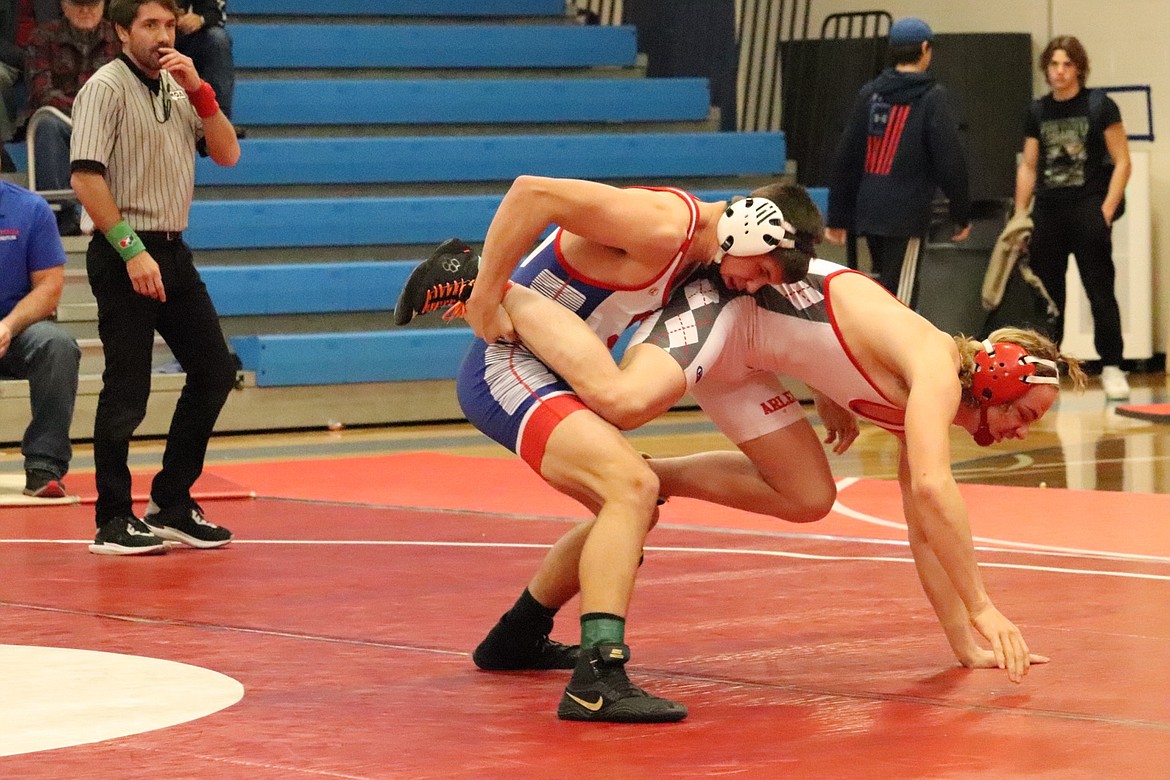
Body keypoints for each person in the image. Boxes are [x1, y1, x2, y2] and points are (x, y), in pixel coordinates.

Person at [409, 182, 1086, 708]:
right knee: (623, 403)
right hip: (721, 313)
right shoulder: (935, 367)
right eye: (1027, 413)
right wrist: (985, 604)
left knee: (809, 496)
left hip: (753, 348)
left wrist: (963, 641)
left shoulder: (922, 394)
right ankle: (476, 278)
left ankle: (648, 485)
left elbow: (923, 524)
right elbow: (938, 491)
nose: (1023, 431)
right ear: (996, 379)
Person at [394, 175, 815, 724]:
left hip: (551, 366)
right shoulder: (664, 226)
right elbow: (531, 194)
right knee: (631, 487)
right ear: (747, 228)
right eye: (761, 271)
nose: (755, 286)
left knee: (633, 508)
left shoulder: (702, 252)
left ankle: (517, 638)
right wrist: (486, 291)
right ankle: (598, 678)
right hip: (510, 363)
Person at [70, 0, 240, 555]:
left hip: (173, 248)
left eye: (169, 25)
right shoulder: (105, 87)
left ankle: (171, 500)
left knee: (214, 371)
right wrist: (131, 250)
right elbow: (85, 177)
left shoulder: (176, 86)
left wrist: (202, 93)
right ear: (121, 31)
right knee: (128, 390)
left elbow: (227, 154)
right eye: (149, 25)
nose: (162, 35)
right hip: (125, 250)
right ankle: (113, 517)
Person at [1014, 35, 1131, 401]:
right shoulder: (1037, 111)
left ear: (1078, 67)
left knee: (1100, 290)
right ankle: (1045, 368)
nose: (1059, 71)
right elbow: (1029, 166)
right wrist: (1021, 216)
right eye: (1053, 65)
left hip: (1088, 208)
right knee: (1049, 297)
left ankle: (1112, 365)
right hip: (1048, 212)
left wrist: (1107, 211)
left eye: (1066, 64)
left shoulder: (1100, 106)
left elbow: (1123, 161)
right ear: (1046, 70)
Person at [825, 16, 971, 302]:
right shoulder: (931, 97)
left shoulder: (870, 93)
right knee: (900, 302)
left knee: (880, 292)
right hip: (906, 215)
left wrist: (838, 216)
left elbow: (846, 156)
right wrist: (961, 214)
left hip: (868, 210)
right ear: (925, 48)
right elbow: (950, 160)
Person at [0, 179, 81, 497]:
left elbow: (49, 287)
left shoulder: (30, 208)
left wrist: (7, 327)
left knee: (57, 346)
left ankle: (44, 466)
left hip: (16, 331)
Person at [24, 0, 119, 235]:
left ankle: (120, 212)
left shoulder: (119, 37)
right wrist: (83, 111)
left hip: (105, 121)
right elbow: (41, 92)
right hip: (62, 119)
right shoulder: (43, 37)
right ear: (64, 6)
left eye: (92, 4)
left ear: (103, 5)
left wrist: (93, 114)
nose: (86, 10)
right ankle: (61, 215)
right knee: (45, 123)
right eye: (78, 4)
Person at [175, 1, 233, 120]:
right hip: (148, 36)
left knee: (217, 39)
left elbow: (217, 13)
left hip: (184, 39)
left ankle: (220, 117)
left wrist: (200, 19)